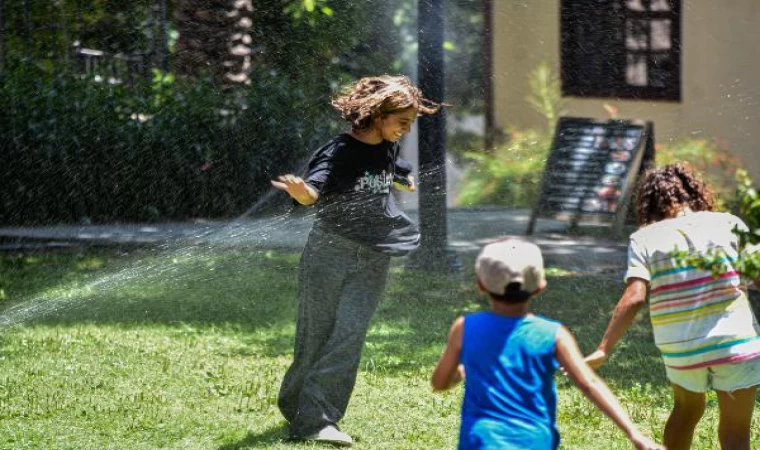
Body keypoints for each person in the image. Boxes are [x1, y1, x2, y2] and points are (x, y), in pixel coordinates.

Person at [271, 75, 441, 446]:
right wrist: (303, 193)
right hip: (329, 253)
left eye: (411, 122)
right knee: (316, 335)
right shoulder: (339, 150)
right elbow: (314, 189)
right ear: (378, 114)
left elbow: (393, 166)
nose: (407, 128)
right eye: (402, 121)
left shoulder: (387, 146)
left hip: (374, 257)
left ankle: (318, 418)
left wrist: (402, 179)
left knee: (349, 334)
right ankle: (297, 404)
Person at [585, 163, 760, 450]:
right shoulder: (729, 224)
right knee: (736, 431)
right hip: (735, 342)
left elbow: (635, 297)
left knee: (686, 412)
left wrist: (603, 349)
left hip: (682, 348)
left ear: (649, 202)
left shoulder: (645, 237)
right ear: (695, 192)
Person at [431, 239, 663, 450]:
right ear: (540, 286)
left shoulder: (465, 328)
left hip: (480, 441)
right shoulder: (553, 334)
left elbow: (440, 382)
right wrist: (634, 434)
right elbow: (588, 383)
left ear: (481, 285)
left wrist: (461, 372)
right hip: (534, 442)